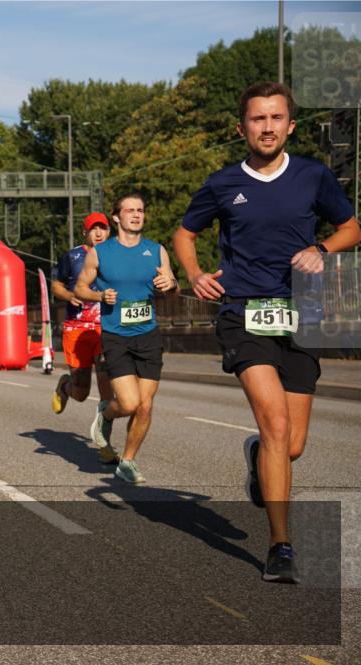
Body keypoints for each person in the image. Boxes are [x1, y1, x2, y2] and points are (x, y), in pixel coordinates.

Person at [173, 81, 359, 584]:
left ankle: (258, 455)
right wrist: (194, 274)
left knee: (291, 444)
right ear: (242, 128)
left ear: (291, 126)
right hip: (242, 311)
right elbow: (184, 234)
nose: (268, 127)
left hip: (303, 315)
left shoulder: (313, 176)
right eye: (258, 119)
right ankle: (281, 545)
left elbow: (352, 227)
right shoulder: (222, 183)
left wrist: (322, 249)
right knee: (275, 424)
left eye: (277, 118)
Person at [74, 192, 178, 484]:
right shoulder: (101, 252)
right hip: (116, 336)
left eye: (141, 210)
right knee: (130, 404)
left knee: (146, 406)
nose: (136, 215)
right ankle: (107, 415)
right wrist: (99, 295)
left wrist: (171, 284)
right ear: (117, 217)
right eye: (130, 210)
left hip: (148, 335)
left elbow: (172, 289)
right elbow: (80, 288)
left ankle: (128, 461)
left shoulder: (156, 250)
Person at [51, 212, 117, 464]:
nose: (98, 233)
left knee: (106, 389)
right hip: (77, 329)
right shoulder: (73, 256)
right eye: (93, 229)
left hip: (106, 329)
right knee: (80, 392)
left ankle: (104, 443)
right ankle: (66, 386)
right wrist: (69, 296)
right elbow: (56, 285)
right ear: (85, 233)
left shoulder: (118, 254)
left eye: (103, 228)